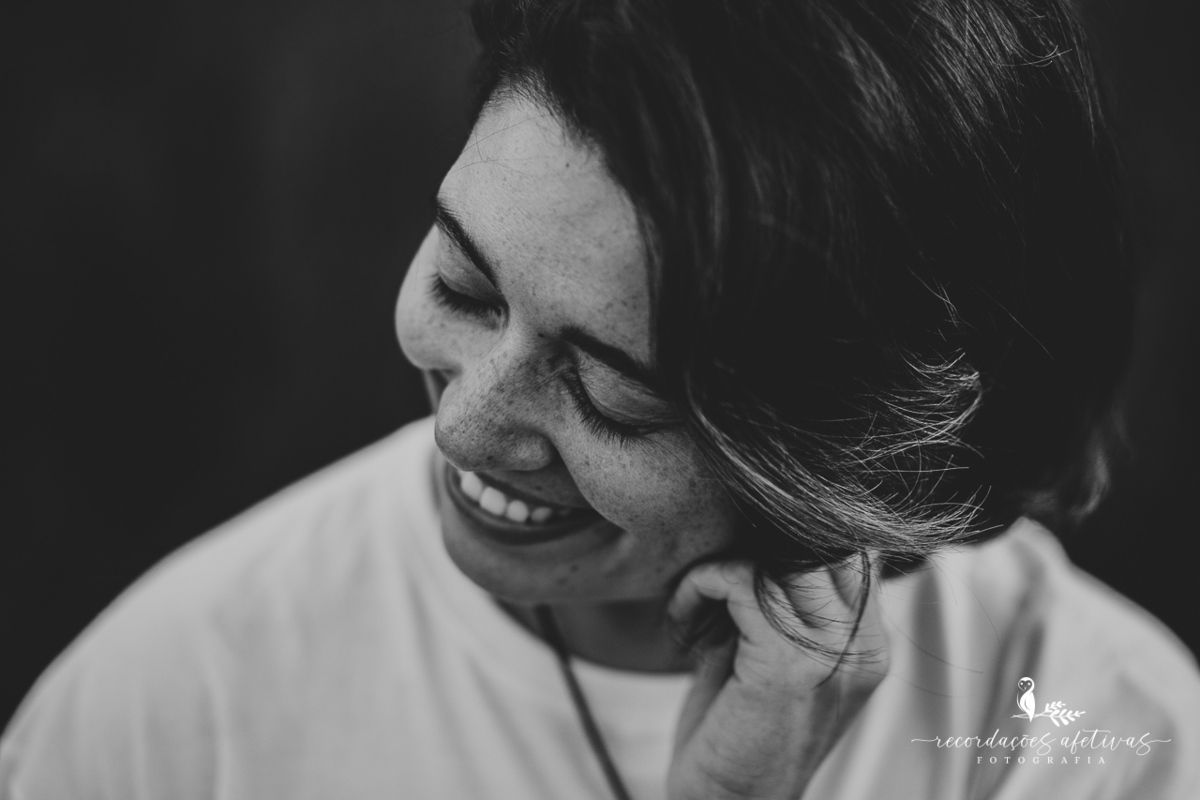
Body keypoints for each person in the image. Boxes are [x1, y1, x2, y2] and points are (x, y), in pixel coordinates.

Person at [3, 0, 1199, 798]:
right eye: (464, 283)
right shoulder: (170, 709)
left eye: (612, 393)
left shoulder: (1096, 740)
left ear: (850, 464)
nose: (461, 425)